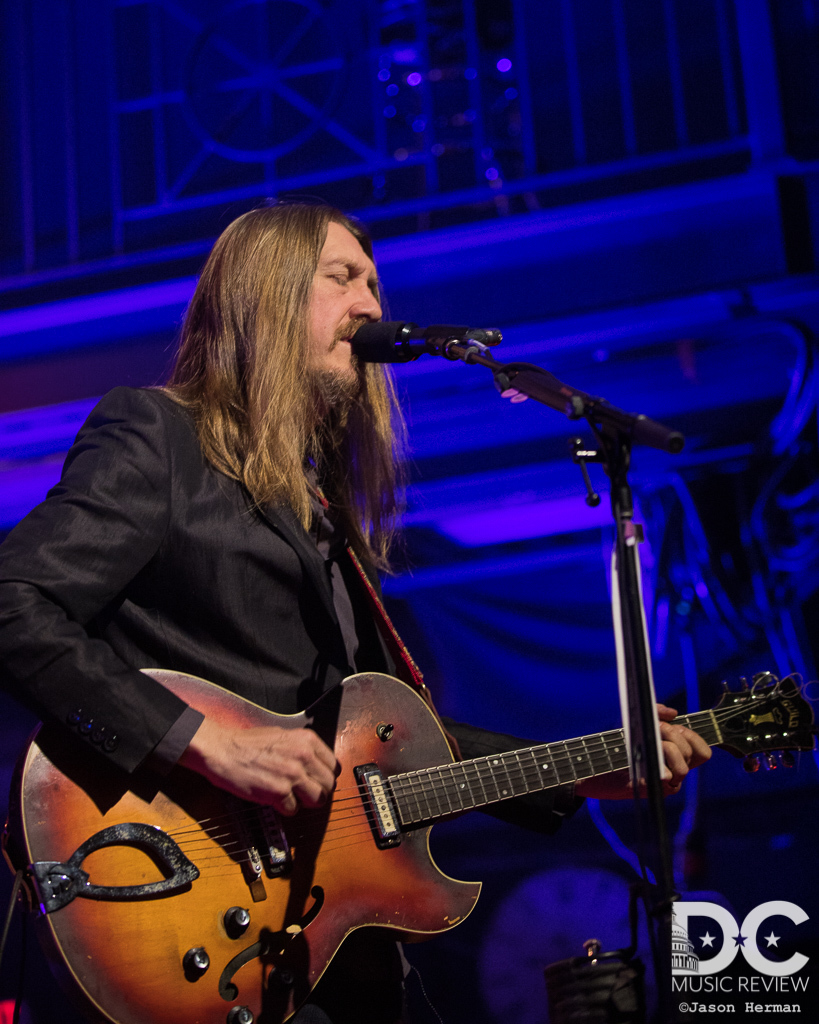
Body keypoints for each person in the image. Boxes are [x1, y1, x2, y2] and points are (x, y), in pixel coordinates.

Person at [0, 201, 710, 1024]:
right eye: (342, 279)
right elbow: (16, 602)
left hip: (324, 944)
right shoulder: (160, 437)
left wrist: (581, 767)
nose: (372, 304)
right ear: (266, 298)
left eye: (373, 282)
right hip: (195, 904)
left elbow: (387, 744)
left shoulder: (320, 506)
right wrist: (203, 742)